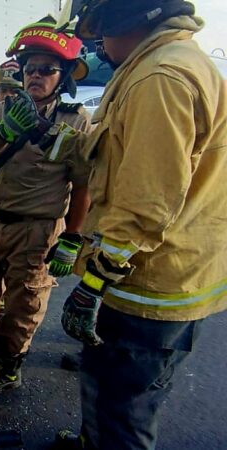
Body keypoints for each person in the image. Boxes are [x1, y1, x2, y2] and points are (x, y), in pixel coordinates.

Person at [51, 1, 227, 448]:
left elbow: (147, 202)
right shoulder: (159, 63)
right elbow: (119, 152)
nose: (98, 46)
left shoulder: (159, 79)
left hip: (147, 285)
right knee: (107, 379)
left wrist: (94, 282)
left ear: (124, 21)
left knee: (124, 409)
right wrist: (56, 140)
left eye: (99, 33)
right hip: (160, 272)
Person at [0, 16, 92, 394]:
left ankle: (6, 366)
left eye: (46, 70)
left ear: (63, 75)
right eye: (29, 69)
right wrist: (5, 133)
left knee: (24, 303)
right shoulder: (5, 111)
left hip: (37, 229)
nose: (35, 76)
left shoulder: (76, 122)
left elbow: (82, 184)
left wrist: (72, 237)